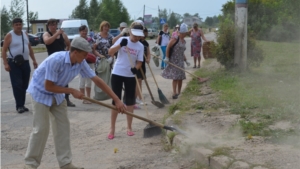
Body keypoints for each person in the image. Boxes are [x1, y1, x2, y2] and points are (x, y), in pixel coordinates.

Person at [24, 37, 126, 169]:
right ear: (75, 52)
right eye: (84, 55)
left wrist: (116, 99)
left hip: (58, 94)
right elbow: (48, 86)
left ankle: (65, 163)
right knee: (41, 129)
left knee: (63, 128)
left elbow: (97, 80)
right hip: (40, 92)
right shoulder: (56, 60)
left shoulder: (80, 62)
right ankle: (30, 165)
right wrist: (71, 90)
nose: (86, 58)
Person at [107, 21, 144, 140]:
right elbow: (110, 52)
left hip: (130, 76)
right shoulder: (123, 40)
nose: (137, 38)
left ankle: (129, 127)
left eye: (139, 36)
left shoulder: (140, 46)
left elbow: (139, 62)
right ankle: (112, 128)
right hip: (117, 73)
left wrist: (136, 69)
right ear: (130, 32)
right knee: (115, 101)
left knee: (130, 102)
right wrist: (120, 45)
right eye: (135, 35)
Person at [1, 18, 38, 114]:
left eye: (20, 24)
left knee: (25, 85)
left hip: (25, 63)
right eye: (16, 24)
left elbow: (29, 48)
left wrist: (34, 60)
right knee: (17, 85)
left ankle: (22, 104)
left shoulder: (25, 34)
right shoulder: (10, 35)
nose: (18, 26)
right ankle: (19, 105)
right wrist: (5, 63)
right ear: (13, 25)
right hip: (14, 63)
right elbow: (4, 50)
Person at [43, 18, 75, 107]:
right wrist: (56, 34)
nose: (53, 26)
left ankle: (66, 99)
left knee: (64, 79)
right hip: (51, 61)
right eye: (51, 25)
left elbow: (69, 44)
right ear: (48, 26)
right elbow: (47, 41)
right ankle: (51, 98)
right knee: (51, 79)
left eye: (55, 25)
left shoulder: (63, 34)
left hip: (62, 60)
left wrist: (67, 51)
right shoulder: (47, 34)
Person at [161, 23, 188, 99]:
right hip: (174, 60)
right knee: (175, 77)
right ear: (182, 32)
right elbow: (168, 47)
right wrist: (167, 57)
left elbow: (182, 52)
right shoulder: (175, 38)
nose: (186, 34)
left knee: (181, 77)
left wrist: (186, 60)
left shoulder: (184, 41)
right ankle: (174, 92)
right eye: (185, 32)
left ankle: (179, 92)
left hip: (181, 61)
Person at [92, 21, 114, 101]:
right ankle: (98, 95)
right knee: (99, 77)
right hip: (99, 59)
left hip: (109, 59)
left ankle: (108, 95)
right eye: (105, 26)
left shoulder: (111, 37)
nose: (106, 28)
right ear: (102, 27)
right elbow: (93, 50)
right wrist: (100, 55)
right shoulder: (96, 36)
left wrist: (111, 57)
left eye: (108, 27)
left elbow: (113, 48)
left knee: (108, 76)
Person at [134, 21, 151, 108]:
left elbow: (148, 53)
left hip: (143, 63)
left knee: (140, 80)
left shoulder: (146, 43)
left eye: (145, 33)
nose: (144, 34)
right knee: (138, 80)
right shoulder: (138, 41)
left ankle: (138, 97)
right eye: (143, 33)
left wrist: (148, 59)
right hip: (137, 63)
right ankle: (139, 98)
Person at [78, 25, 95, 104]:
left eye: (85, 31)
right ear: (79, 32)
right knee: (82, 80)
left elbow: (92, 50)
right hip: (80, 62)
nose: (84, 32)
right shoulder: (77, 40)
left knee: (89, 80)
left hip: (90, 62)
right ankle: (83, 97)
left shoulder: (90, 40)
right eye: (82, 31)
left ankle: (88, 97)